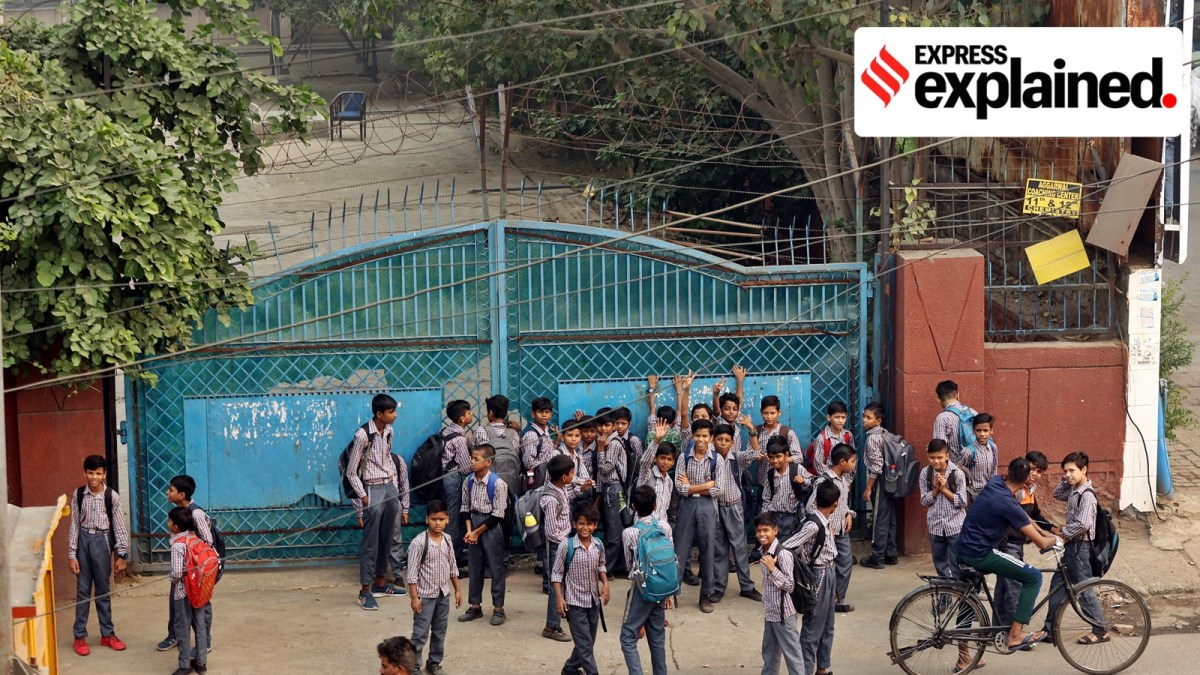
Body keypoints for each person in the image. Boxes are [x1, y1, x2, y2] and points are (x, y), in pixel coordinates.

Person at [956, 458, 1061, 661]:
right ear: (1024, 480)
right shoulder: (1007, 503)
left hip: (963, 548)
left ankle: (963, 658)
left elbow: (1021, 514)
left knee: (968, 600)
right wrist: (1055, 539)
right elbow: (1039, 543)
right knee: (1033, 576)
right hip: (981, 553)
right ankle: (1014, 635)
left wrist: (1043, 528)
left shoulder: (995, 483)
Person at [346, 394, 407, 611]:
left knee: (387, 538)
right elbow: (351, 472)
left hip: (389, 487)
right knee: (371, 543)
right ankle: (365, 591)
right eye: (391, 412)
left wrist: (395, 490)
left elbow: (386, 459)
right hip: (371, 489)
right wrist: (363, 497)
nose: (395, 415)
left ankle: (380, 584)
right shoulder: (362, 435)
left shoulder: (389, 431)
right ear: (379, 414)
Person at [68, 454, 130, 657]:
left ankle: (108, 634)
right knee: (83, 591)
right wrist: (72, 554)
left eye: (98, 473)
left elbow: (120, 527)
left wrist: (122, 554)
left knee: (103, 591)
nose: (94, 477)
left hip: (103, 542)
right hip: (83, 542)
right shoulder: (78, 495)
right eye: (90, 472)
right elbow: (75, 524)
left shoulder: (111, 497)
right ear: (84, 473)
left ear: (104, 474)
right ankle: (79, 636)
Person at [1043, 451, 1107, 646]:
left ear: (1084, 470)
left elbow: (1084, 523)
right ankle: (1050, 629)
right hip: (1073, 547)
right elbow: (1056, 494)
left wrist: (1062, 533)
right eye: (1065, 471)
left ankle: (1100, 629)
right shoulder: (1072, 490)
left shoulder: (1087, 496)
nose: (1068, 474)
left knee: (1084, 590)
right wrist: (1066, 479)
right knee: (1057, 588)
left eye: (1072, 470)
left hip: (1081, 549)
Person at [785, 480, 841, 675]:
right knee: (812, 627)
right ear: (836, 504)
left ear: (816, 500)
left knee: (827, 625)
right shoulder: (813, 525)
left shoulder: (824, 522)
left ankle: (822, 669)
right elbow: (788, 545)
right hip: (819, 574)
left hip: (829, 572)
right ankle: (804, 671)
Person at [159, 475, 215, 656]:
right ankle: (175, 635)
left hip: (197, 570)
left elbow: (208, 542)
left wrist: (191, 558)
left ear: (182, 494)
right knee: (175, 601)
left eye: (171, 490)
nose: (168, 493)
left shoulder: (196, 514)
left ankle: (204, 643)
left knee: (201, 605)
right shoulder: (178, 512)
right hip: (180, 569)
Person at [552, 505, 611, 675]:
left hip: (593, 602)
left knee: (587, 642)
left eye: (589, 524)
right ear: (574, 524)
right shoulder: (566, 546)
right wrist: (559, 598)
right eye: (581, 523)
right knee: (585, 645)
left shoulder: (598, 545)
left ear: (595, 525)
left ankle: (570, 668)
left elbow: (601, 566)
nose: (585, 528)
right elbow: (556, 573)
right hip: (574, 603)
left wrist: (605, 584)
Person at [996, 451, 1052, 627]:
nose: (1034, 475)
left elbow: (1034, 515)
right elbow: (1019, 519)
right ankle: (1015, 633)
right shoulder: (1016, 491)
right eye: (1032, 469)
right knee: (1015, 588)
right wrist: (1042, 536)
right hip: (1008, 544)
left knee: (1004, 587)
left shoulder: (1030, 490)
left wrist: (1051, 528)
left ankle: (997, 629)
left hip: (1017, 544)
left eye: (1039, 472)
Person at [620, 486, 673, 675]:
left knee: (627, 637)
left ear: (633, 506)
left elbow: (630, 566)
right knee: (657, 638)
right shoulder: (664, 527)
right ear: (655, 505)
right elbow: (670, 559)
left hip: (641, 589)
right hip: (661, 587)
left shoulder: (629, 533)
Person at [406, 500, 461, 675]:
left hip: (443, 594)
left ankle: (434, 662)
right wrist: (414, 598)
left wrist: (457, 589)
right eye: (434, 519)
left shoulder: (447, 539)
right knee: (420, 634)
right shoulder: (418, 543)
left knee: (440, 631)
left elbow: (452, 566)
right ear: (427, 519)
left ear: (448, 520)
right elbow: (412, 574)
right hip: (425, 596)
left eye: (441, 519)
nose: (438, 523)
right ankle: (414, 667)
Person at [458, 444, 509, 626]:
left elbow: (498, 514)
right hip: (474, 523)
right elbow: (464, 507)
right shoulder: (468, 481)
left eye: (476, 459)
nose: (472, 462)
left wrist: (477, 532)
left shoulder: (498, 484)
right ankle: (475, 606)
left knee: (496, 568)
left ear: (488, 462)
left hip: (491, 527)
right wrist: (469, 530)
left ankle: (498, 608)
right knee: (474, 566)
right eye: (472, 458)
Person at [674, 418, 722, 613]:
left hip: (708, 508)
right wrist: (705, 486)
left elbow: (719, 490)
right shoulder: (684, 457)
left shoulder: (717, 459)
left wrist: (692, 488)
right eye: (697, 436)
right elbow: (680, 488)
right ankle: (671, 593)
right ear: (692, 436)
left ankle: (706, 595)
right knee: (680, 550)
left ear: (711, 438)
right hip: (687, 506)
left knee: (708, 550)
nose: (701, 440)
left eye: (705, 436)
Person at [712, 421, 763, 602]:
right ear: (713, 440)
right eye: (719, 439)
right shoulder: (710, 459)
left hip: (734, 507)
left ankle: (747, 586)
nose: (723, 443)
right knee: (719, 549)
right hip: (716, 507)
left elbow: (756, 454)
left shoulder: (737, 458)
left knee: (740, 547)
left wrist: (751, 430)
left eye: (727, 440)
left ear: (733, 442)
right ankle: (718, 587)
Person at [807, 443, 857, 613]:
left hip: (841, 531)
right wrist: (825, 525)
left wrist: (849, 513)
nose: (854, 465)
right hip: (827, 534)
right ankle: (822, 600)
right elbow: (810, 507)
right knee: (824, 568)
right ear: (842, 462)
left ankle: (837, 599)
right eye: (852, 461)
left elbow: (842, 503)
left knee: (846, 563)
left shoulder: (843, 481)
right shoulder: (823, 481)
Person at [753, 512, 804, 675]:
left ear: (775, 531)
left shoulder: (783, 554)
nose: (762, 534)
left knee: (792, 655)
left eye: (766, 530)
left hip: (784, 615)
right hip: (771, 612)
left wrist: (773, 569)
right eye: (759, 531)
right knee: (769, 654)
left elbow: (790, 585)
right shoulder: (764, 551)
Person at [166, 506, 208, 675]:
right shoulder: (195, 538)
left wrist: (168, 577)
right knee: (200, 626)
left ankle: (184, 665)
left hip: (183, 592)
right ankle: (201, 662)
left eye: (169, 521)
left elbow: (176, 574)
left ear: (175, 526)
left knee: (182, 627)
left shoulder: (177, 545)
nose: (168, 523)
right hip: (199, 589)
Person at [541, 454, 578, 643]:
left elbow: (566, 498)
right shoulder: (550, 499)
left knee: (562, 583)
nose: (573, 476)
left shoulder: (559, 489)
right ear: (564, 477)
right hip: (557, 545)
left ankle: (561, 615)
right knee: (557, 585)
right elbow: (549, 531)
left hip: (563, 543)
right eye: (572, 473)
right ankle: (551, 626)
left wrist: (581, 489)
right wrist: (566, 543)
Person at [920, 439, 969, 581]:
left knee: (957, 564)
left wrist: (944, 489)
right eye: (932, 457)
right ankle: (946, 597)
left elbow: (962, 502)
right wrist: (936, 489)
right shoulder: (925, 473)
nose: (936, 461)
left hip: (955, 526)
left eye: (939, 457)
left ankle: (962, 597)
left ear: (947, 456)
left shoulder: (957, 474)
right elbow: (924, 501)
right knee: (940, 563)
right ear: (928, 456)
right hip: (935, 526)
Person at [860, 402, 900, 569]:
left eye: (868, 417)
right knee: (890, 518)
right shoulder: (886, 434)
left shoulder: (873, 439)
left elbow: (876, 467)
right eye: (864, 416)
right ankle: (891, 553)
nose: (864, 420)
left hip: (881, 483)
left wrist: (869, 488)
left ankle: (877, 557)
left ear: (878, 421)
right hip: (891, 482)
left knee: (879, 520)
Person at [439, 399, 473, 562]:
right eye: (468, 413)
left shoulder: (445, 431)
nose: (471, 415)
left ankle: (455, 554)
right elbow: (466, 469)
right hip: (453, 479)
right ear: (462, 418)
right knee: (452, 518)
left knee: (450, 515)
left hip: (443, 478)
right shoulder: (459, 439)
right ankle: (452, 559)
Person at [598, 408, 629, 577]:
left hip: (614, 489)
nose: (603, 429)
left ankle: (607, 569)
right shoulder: (608, 440)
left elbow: (605, 469)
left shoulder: (613, 443)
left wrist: (601, 449)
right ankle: (619, 566)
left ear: (613, 426)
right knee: (619, 526)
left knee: (614, 531)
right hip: (616, 490)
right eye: (600, 425)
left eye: (607, 425)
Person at [761, 436, 809, 541]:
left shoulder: (797, 469)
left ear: (786, 455)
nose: (774, 460)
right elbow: (766, 498)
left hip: (792, 516)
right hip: (775, 516)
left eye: (778, 456)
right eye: (771, 457)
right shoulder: (770, 474)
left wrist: (804, 481)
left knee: (790, 542)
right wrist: (765, 517)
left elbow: (811, 484)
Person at [931, 380, 975, 463]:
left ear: (939, 399)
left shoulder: (942, 418)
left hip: (956, 469)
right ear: (958, 395)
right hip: (975, 466)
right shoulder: (973, 412)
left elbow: (939, 450)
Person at [956, 412, 999, 497]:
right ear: (973, 431)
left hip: (989, 494)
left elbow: (994, 472)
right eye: (978, 430)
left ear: (991, 431)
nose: (982, 434)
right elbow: (956, 470)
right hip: (973, 495)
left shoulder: (993, 448)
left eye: (985, 430)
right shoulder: (968, 451)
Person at [640, 431, 677, 525]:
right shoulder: (647, 474)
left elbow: (667, 508)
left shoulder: (669, 481)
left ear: (673, 462)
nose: (665, 462)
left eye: (669, 459)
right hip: (645, 526)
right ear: (655, 458)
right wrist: (656, 440)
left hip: (662, 526)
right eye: (662, 458)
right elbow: (644, 462)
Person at [807, 402, 854, 476]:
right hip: (828, 481)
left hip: (845, 480)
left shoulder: (848, 435)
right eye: (837, 417)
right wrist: (834, 479)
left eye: (843, 417)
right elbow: (818, 465)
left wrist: (848, 481)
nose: (840, 421)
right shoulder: (822, 438)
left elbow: (853, 459)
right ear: (829, 418)